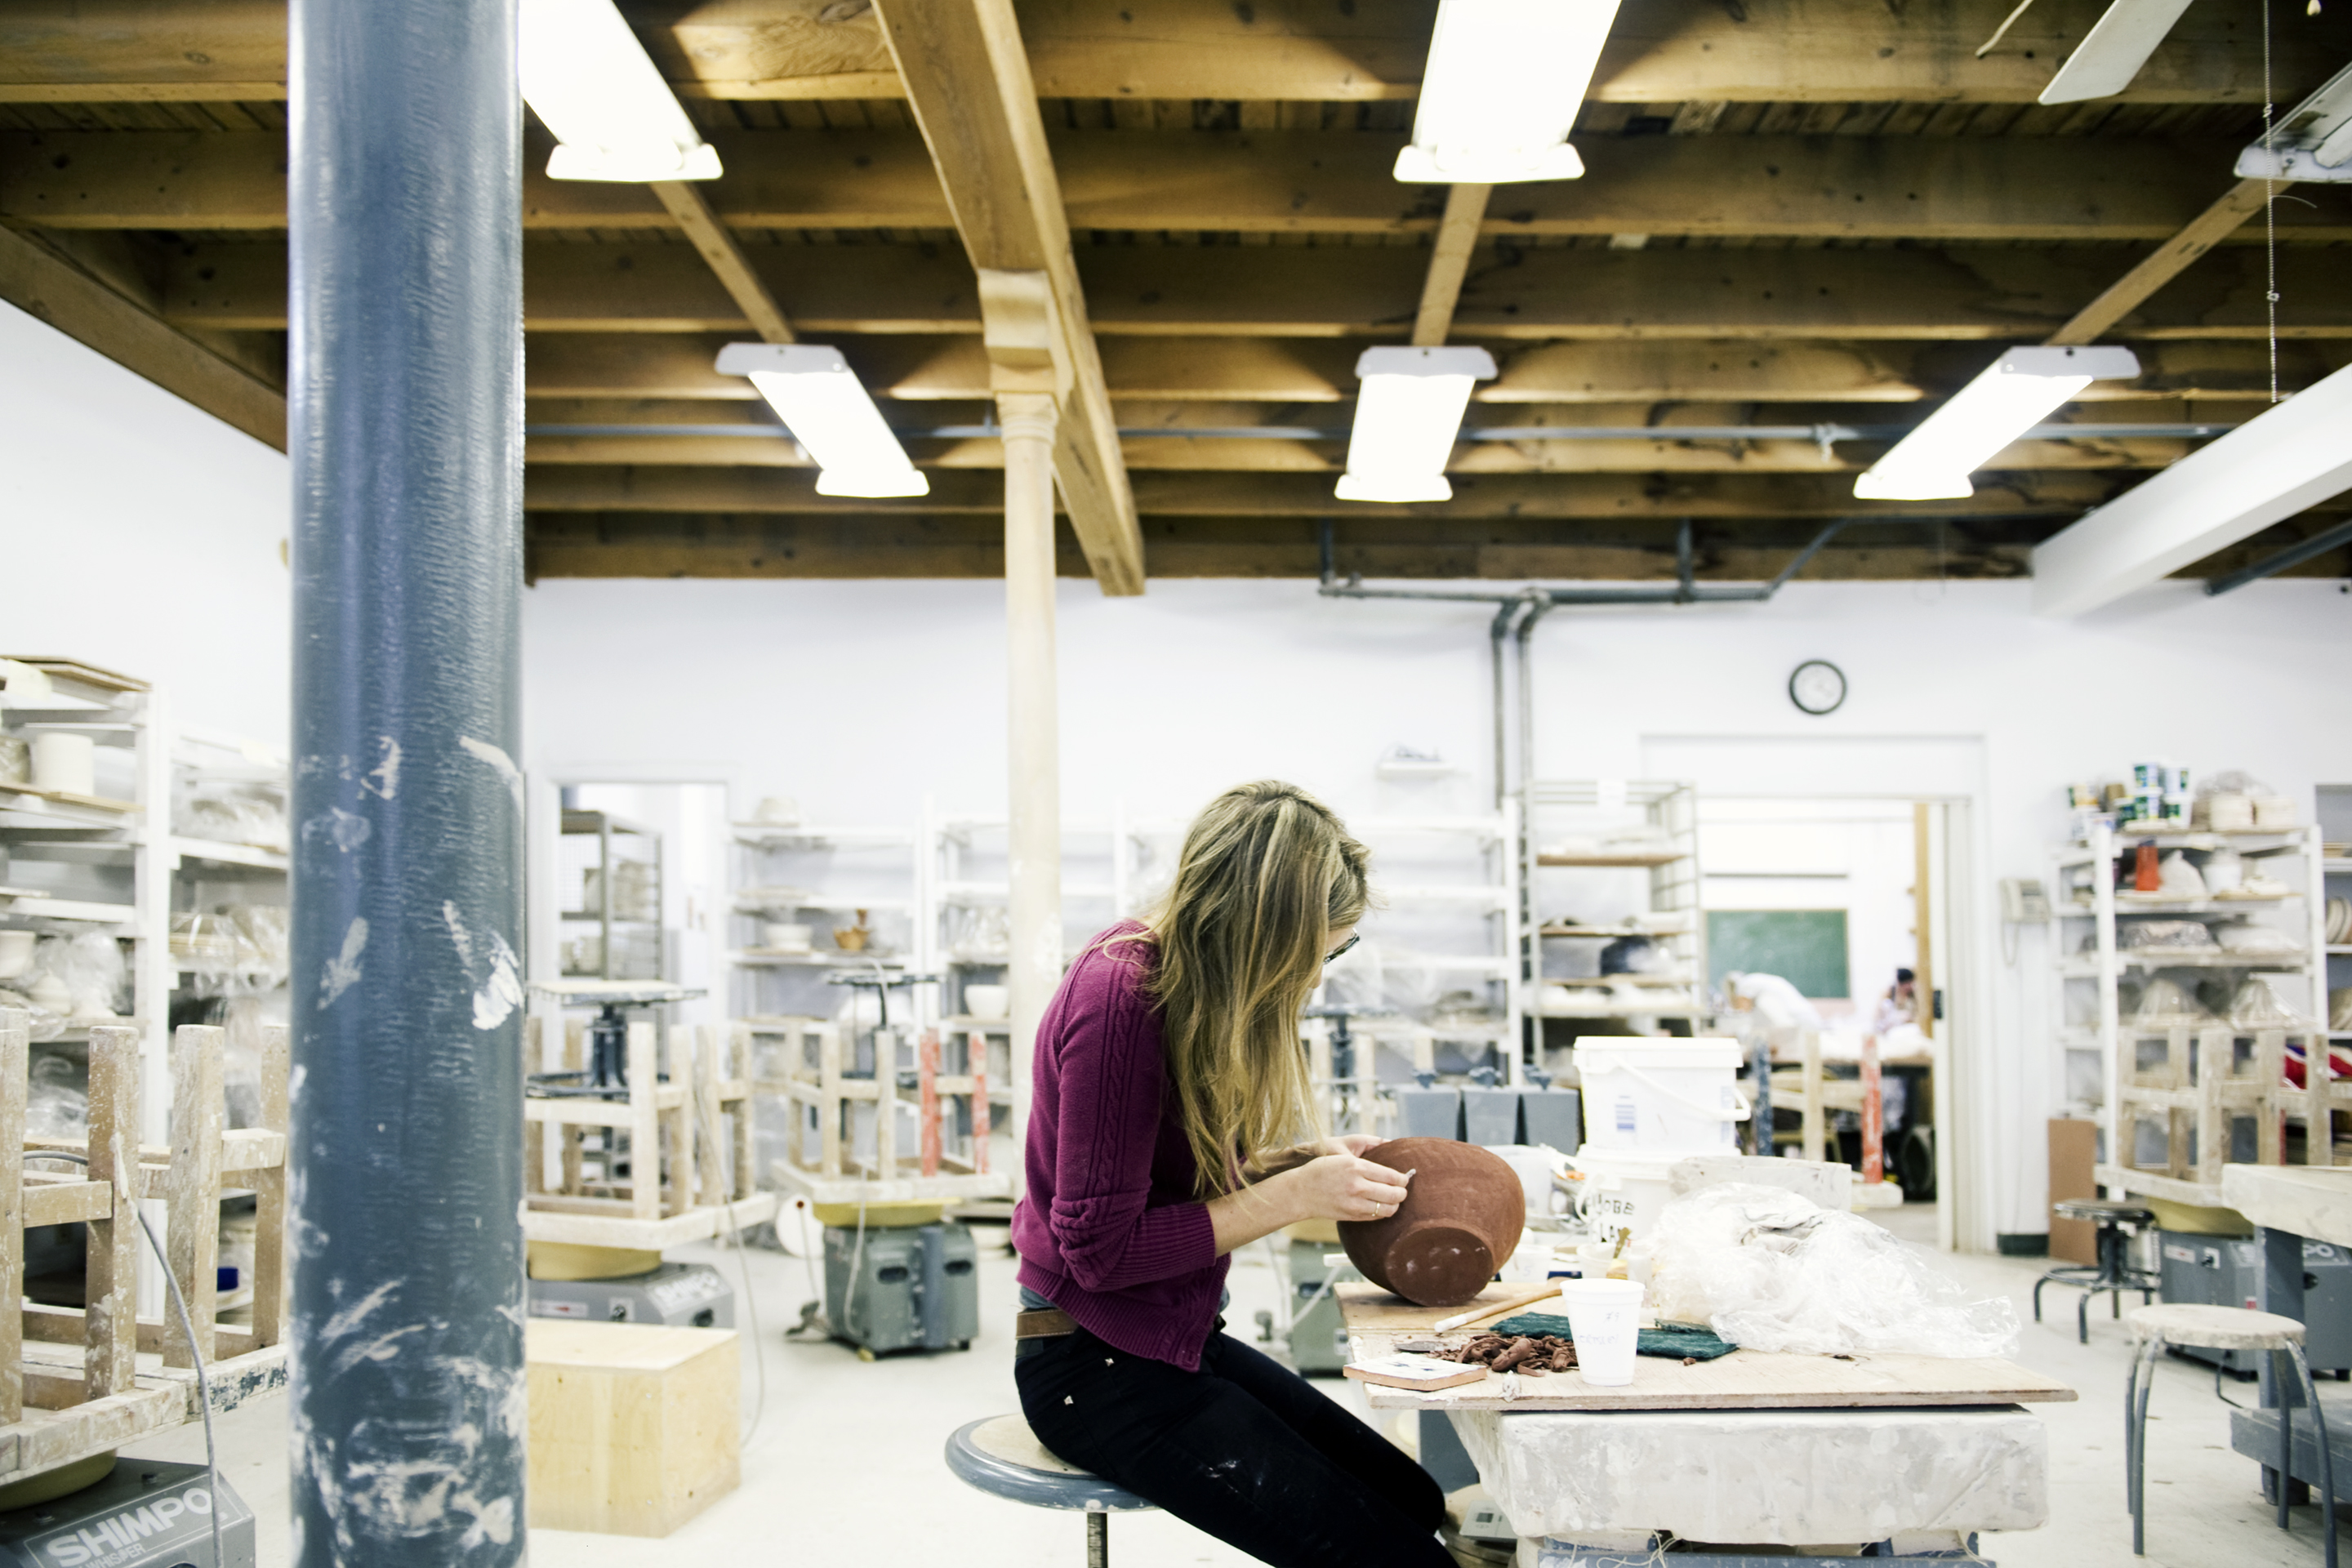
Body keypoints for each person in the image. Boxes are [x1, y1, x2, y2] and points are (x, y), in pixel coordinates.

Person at [1011, 781, 1452, 1568]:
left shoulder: (1179, 982)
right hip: (1095, 1365)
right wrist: (1292, 1198)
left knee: (1416, 1503)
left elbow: (1162, 1172)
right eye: (1319, 952)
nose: (1316, 976)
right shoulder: (1122, 997)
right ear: (1259, 930)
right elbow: (1101, 1253)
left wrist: (1289, 1162)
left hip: (1169, 1338)